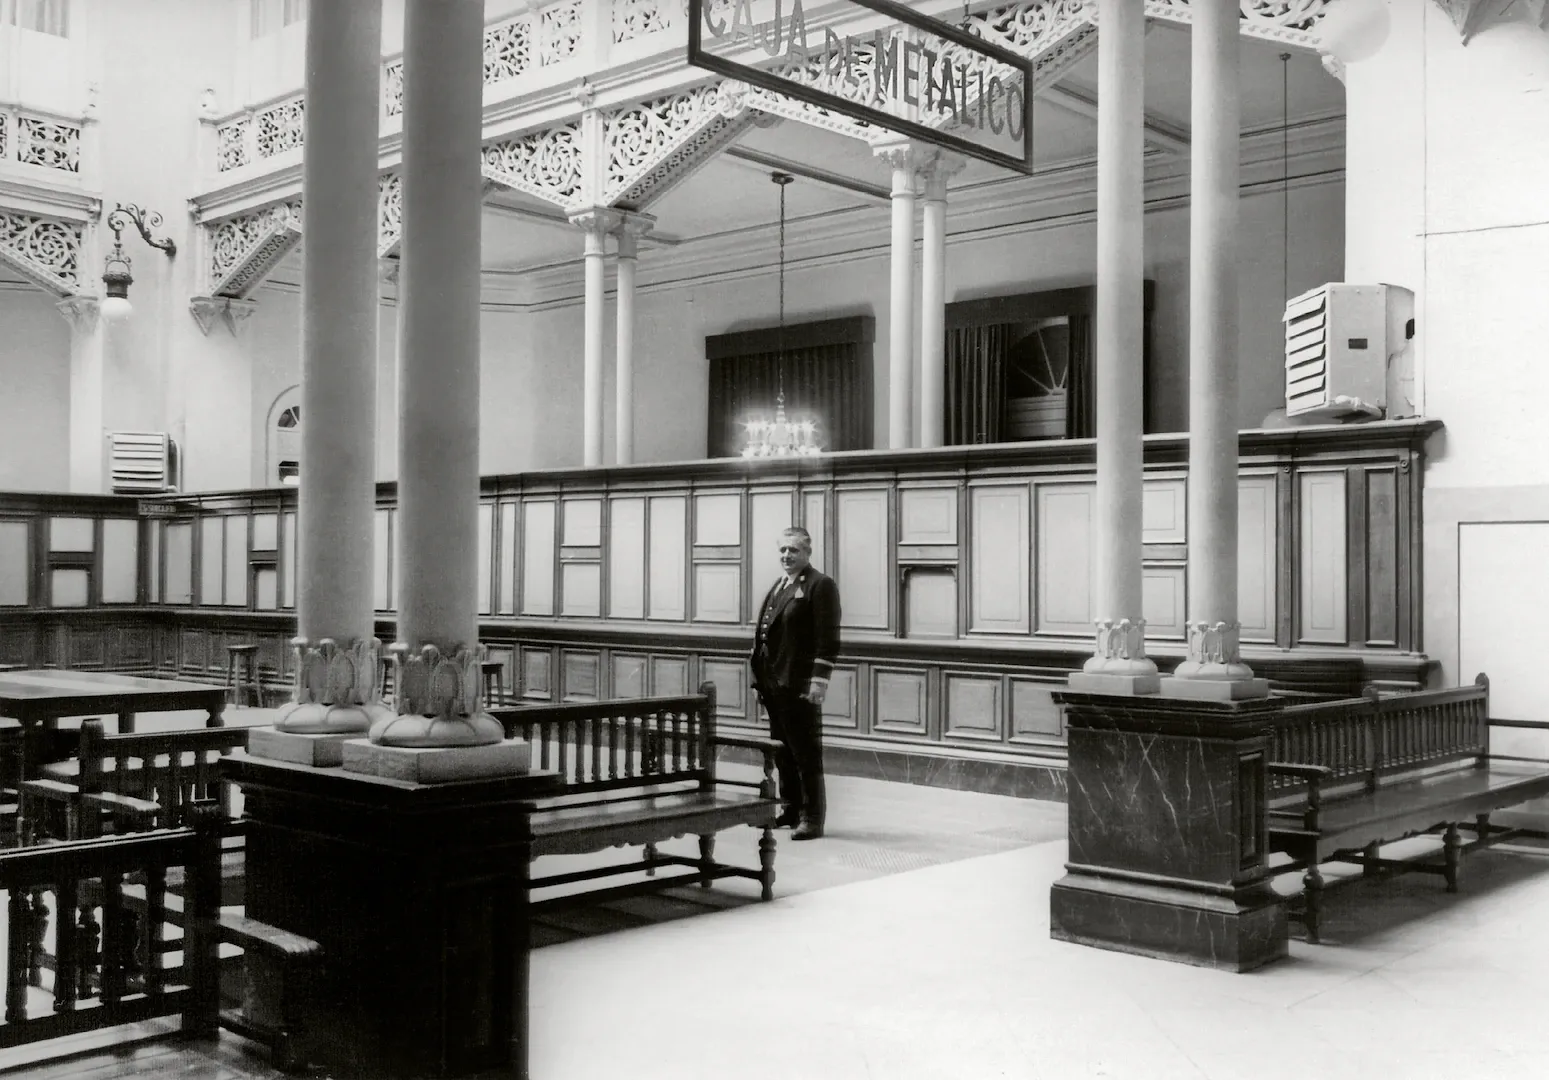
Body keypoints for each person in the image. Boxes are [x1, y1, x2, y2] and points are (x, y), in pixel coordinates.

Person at [751, 526, 840, 841]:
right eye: (783, 551)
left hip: (799, 684)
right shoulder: (780, 585)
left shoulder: (820, 585)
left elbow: (827, 639)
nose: (787, 556)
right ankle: (790, 809)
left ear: (807, 553)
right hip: (775, 684)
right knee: (782, 752)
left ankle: (812, 818)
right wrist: (759, 679)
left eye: (794, 551)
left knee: (805, 753)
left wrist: (819, 682)